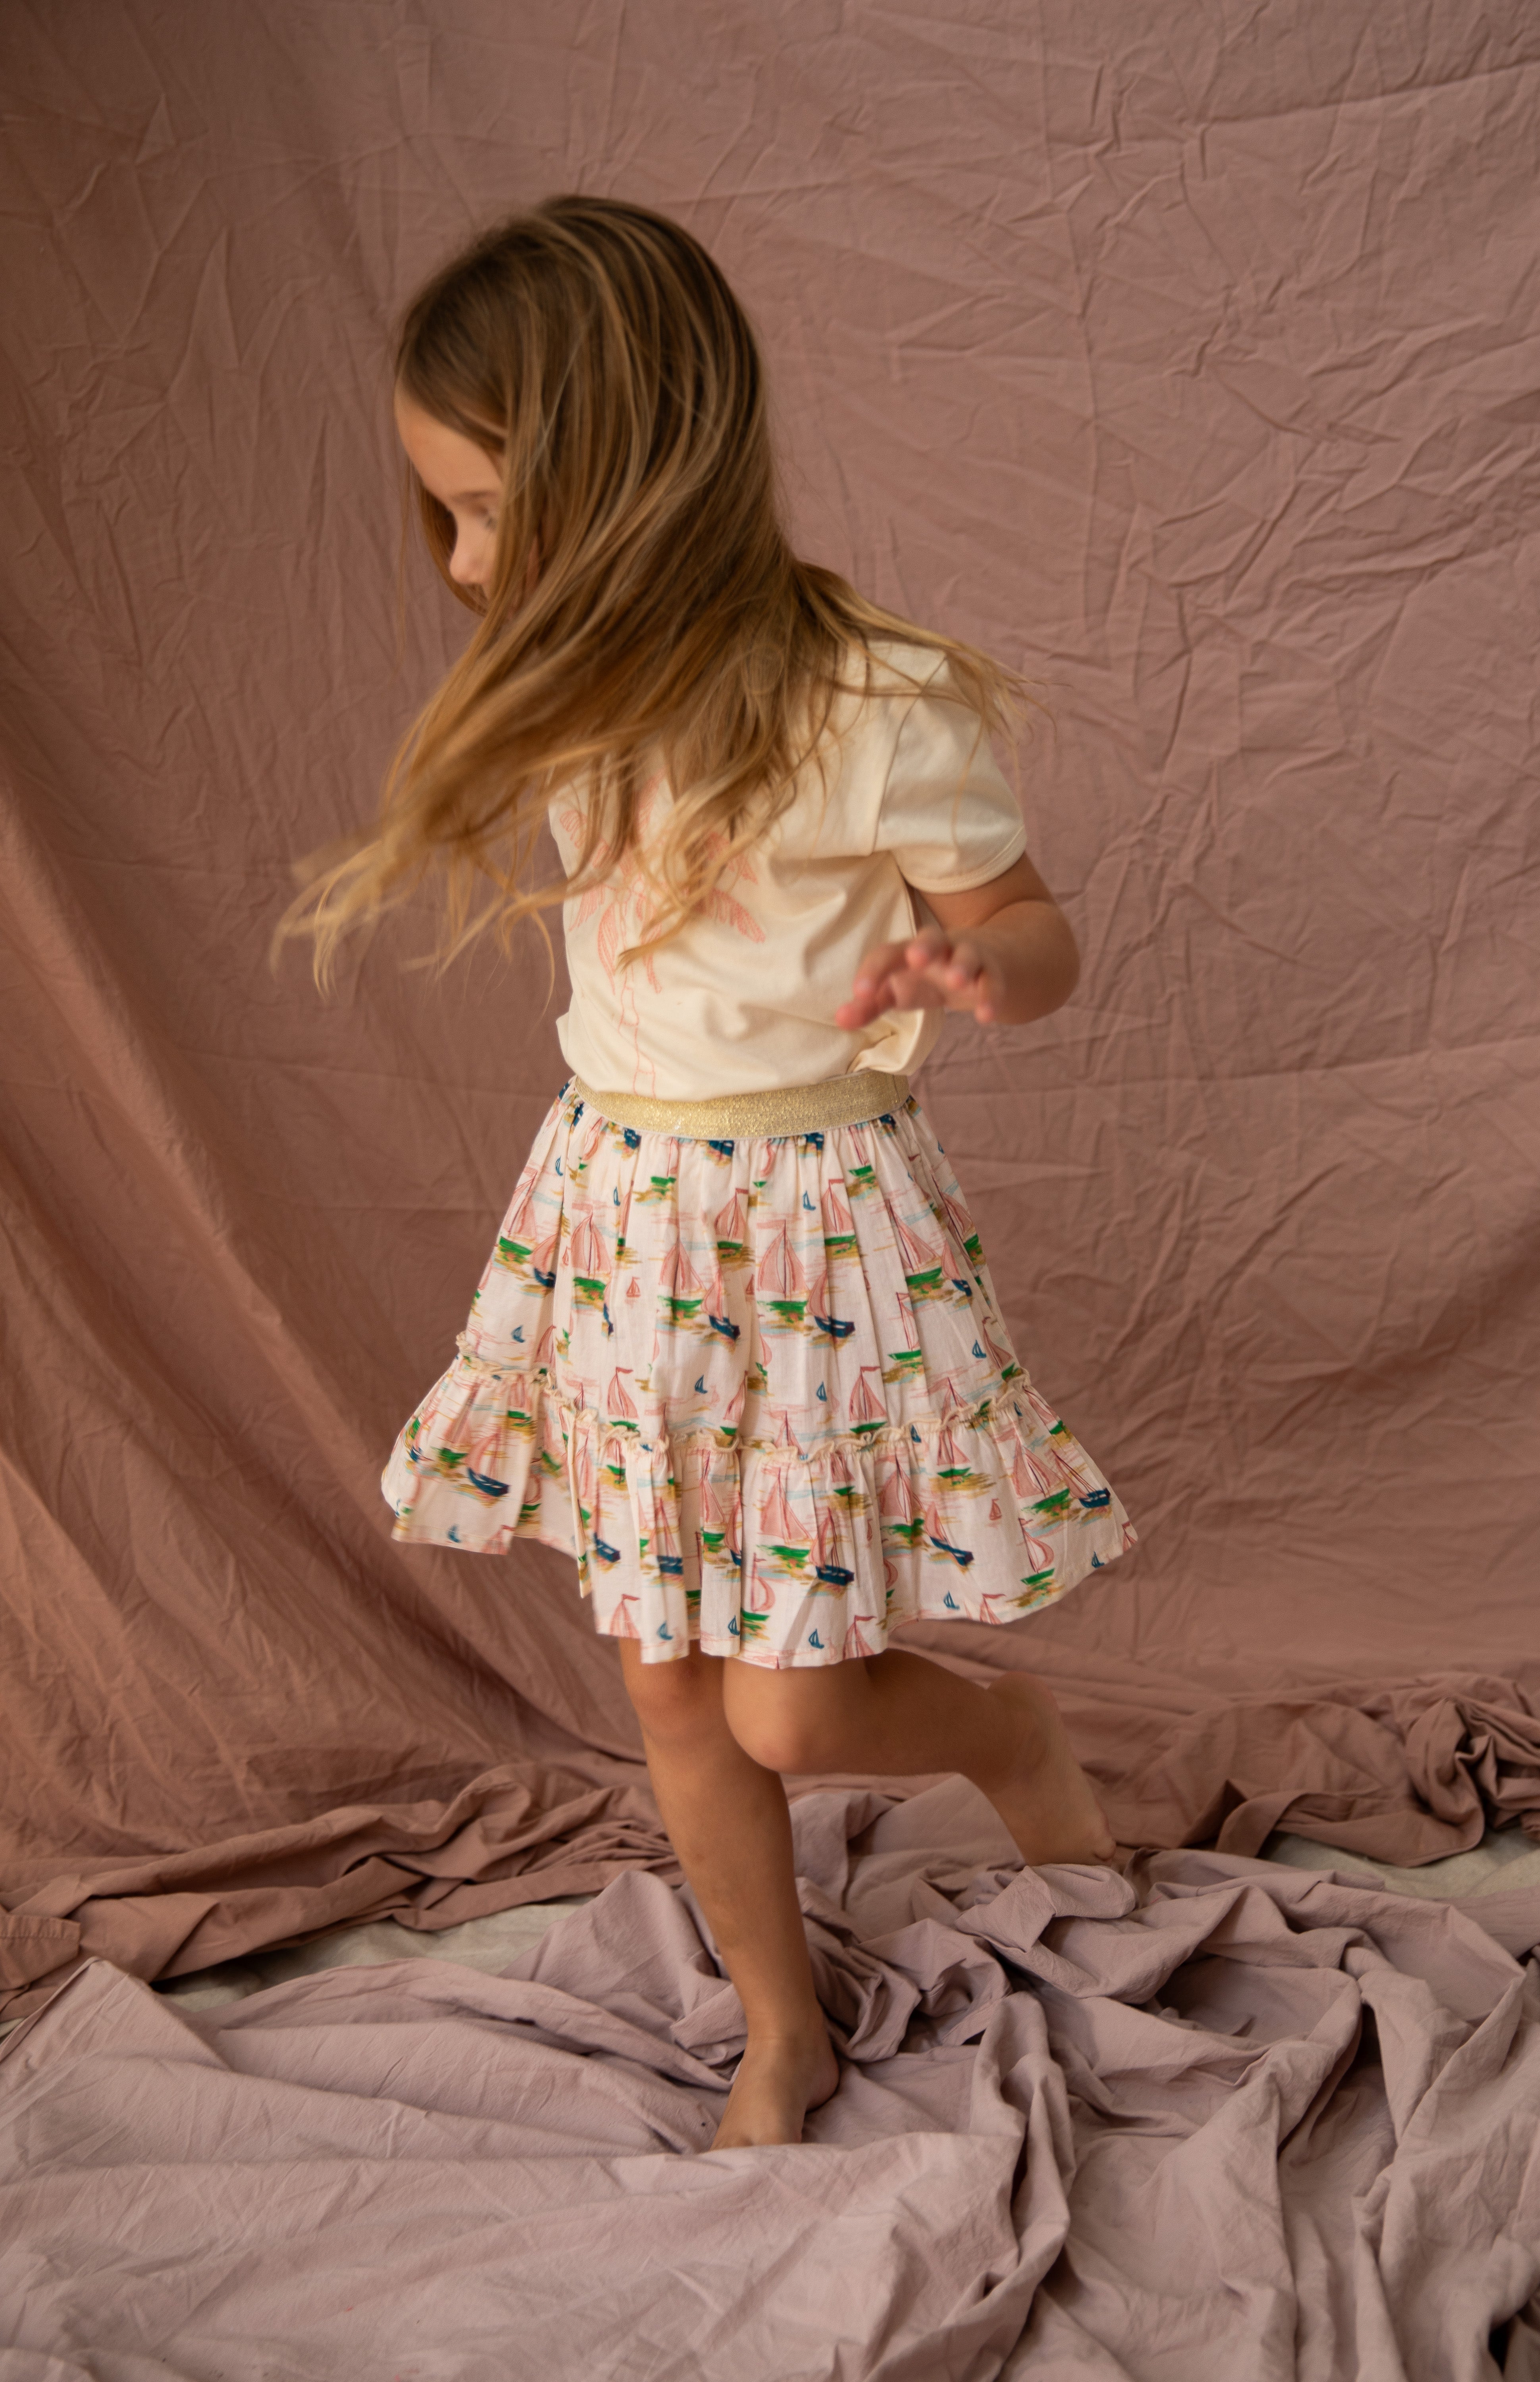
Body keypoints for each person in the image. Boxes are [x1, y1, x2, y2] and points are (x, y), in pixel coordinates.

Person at [287, 195, 1136, 2149]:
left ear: (628, 482)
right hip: (617, 1212)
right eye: (445, 515)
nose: (462, 563)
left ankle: (1000, 1729)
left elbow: (1034, 926)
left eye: (490, 509)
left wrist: (965, 968)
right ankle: (785, 2029)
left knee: (789, 1707)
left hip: (813, 1228)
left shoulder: (873, 701)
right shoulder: (571, 689)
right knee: (669, 1690)